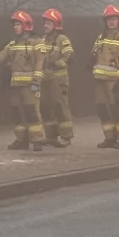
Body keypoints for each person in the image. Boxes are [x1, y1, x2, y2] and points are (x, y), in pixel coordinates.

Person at [0, 11, 46, 152]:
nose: (15, 27)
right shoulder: (13, 43)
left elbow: (40, 64)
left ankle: (37, 140)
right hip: (15, 86)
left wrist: (36, 82)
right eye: (15, 25)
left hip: (30, 86)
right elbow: (2, 55)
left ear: (26, 25)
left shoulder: (37, 43)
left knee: (32, 113)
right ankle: (21, 140)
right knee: (17, 114)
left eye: (18, 24)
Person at [89, 5, 119, 149]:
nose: (111, 22)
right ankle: (109, 138)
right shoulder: (100, 37)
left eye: (114, 19)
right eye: (109, 19)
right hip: (100, 80)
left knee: (118, 109)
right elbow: (94, 53)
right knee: (102, 109)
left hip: (116, 81)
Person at [39, 8, 75, 147]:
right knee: (46, 107)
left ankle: (66, 137)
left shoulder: (62, 39)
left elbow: (70, 57)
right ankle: (51, 136)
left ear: (56, 24)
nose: (45, 26)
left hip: (58, 81)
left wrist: (56, 64)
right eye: (45, 23)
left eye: (48, 23)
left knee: (60, 108)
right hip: (45, 80)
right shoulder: (43, 40)